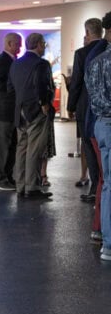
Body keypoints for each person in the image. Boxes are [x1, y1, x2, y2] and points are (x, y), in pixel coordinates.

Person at [8, 33, 54, 199]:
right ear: (39, 44)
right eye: (43, 44)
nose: (44, 47)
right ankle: (32, 187)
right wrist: (44, 104)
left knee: (21, 148)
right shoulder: (41, 64)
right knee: (34, 149)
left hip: (19, 111)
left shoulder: (15, 64)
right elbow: (42, 85)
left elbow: (10, 88)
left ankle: (20, 186)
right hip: (36, 111)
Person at [68, 18, 105, 204]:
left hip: (86, 108)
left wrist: (70, 106)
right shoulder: (107, 49)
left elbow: (76, 83)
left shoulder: (82, 54)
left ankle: (95, 188)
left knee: (89, 148)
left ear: (87, 33)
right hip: (105, 109)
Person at [83, 12, 110, 242]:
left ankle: (101, 231)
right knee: (106, 181)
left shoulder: (94, 56)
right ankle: (103, 233)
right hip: (104, 125)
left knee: (104, 181)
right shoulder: (101, 57)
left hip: (97, 125)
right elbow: (100, 100)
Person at [0, 32, 21, 191]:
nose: (20, 47)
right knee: (3, 146)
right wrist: (14, 88)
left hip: (12, 111)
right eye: (17, 44)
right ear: (9, 44)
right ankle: (0, 179)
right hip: (4, 111)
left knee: (12, 145)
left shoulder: (13, 61)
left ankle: (8, 177)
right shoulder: (1, 61)